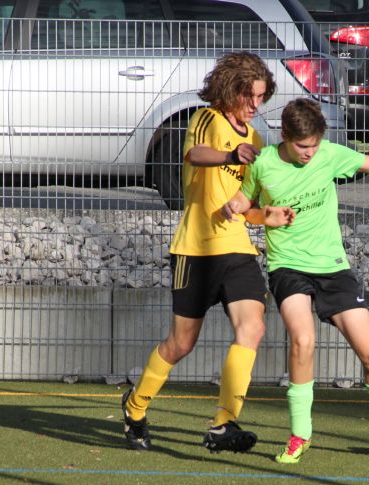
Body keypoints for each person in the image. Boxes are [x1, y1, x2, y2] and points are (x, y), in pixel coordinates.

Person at [223, 98, 369, 464]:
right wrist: (249, 212)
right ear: (285, 136)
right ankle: (300, 435)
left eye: (315, 145)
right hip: (287, 267)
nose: (310, 152)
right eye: (302, 146)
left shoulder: (329, 155)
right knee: (303, 340)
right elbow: (242, 205)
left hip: (333, 269)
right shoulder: (264, 163)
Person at [121, 52, 290, 453]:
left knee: (253, 328)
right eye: (250, 96)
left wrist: (269, 216)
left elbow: (247, 206)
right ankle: (135, 407)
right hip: (195, 251)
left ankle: (222, 423)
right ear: (231, 90)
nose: (256, 105)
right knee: (180, 344)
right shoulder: (206, 119)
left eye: (261, 97)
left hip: (237, 250)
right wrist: (231, 155)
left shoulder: (256, 140)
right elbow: (194, 155)